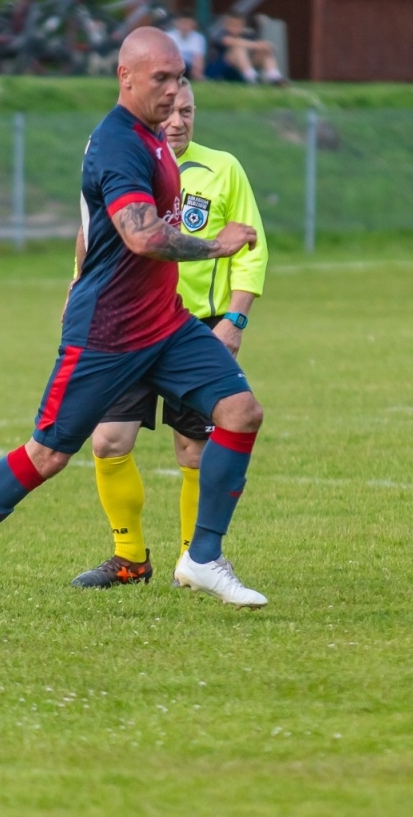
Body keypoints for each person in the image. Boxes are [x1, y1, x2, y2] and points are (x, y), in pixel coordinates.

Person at [0, 27, 268, 616]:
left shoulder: (154, 138)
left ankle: (202, 557)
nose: (172, 89)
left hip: (165, 322)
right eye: (160, 78)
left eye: (179, 77)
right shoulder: (118, 145)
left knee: (240, 411)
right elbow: (139, 236)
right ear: (124, 78)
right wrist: (216, 245)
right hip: (108, 330)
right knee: (49, 454)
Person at [72, 77, 267, 588]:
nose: (179, 120)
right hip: (129, 321)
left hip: (194, 328)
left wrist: (235, 319)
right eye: (172, 110)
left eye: (189, 111)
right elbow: (94, 233)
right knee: (109, 440)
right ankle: (129, 558)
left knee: (194, 450)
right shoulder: (133, 160)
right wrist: (77, 286)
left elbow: (252, 248)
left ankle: (193, 560)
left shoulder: (222, 168)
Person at [207, 14, 285, 85]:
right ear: (226, 25)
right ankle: (250, 77)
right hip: (225, 70)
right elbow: (231, 41)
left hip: (245, 66)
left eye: (238, 24)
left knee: (264, 51)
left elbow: (261, 45)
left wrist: (265, 46)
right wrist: (257, 45)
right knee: (238, 49)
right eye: (232, 24)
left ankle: (274, 76)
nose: (235, 27)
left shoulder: (248, 35)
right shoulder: (220, 34)